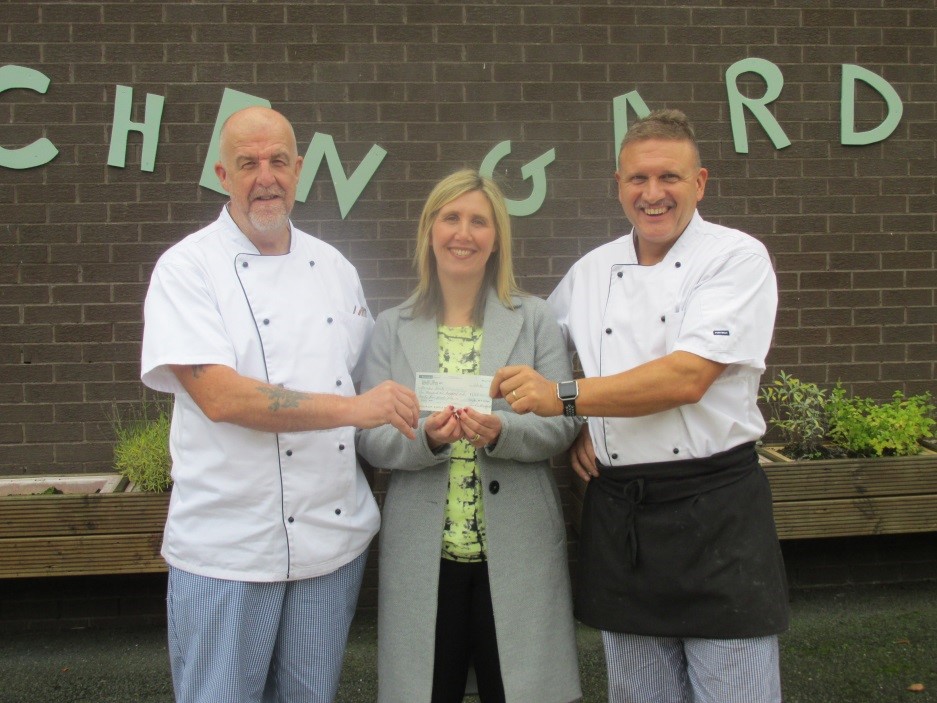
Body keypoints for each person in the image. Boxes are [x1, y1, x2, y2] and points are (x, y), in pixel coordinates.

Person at [490, 109, 789, 703]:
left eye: (669, 178)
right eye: (637, 179)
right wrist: (584, 420)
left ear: (699, 182)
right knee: (638, 694)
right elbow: (537, 343)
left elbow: (686, 377)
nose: (653, 195)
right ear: (618, 184)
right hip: (620, 512)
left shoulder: (736, 258)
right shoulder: (593, 269)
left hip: (716, 513)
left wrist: (570, 399)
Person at [140, 106, 419, 703]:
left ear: (298, 168)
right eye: (247, 164)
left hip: (331, 545)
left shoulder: (335, 269)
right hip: (228, 551)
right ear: (222, 174)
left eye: (276, 162)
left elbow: (375, 374)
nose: (264, 177)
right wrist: (354, 409)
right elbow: (220, 396)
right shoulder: (186, 270)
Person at [356, 170, 582, 703]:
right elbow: (369, 435)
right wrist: (426, 440)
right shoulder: (392, 327)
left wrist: (502, 430)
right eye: (451, 217)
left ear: (496, 236)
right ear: (430, 230)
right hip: (424, 557)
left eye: (479, 221)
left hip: (518, 552)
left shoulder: (534, 319)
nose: (464, 232)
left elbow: (564, 419)